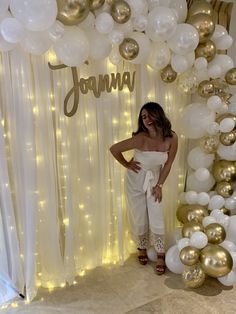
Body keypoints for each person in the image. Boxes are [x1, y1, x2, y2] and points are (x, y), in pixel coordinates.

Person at [110, 102, 178, 275]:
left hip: (155, 179)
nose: (146, 119)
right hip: (135, 180)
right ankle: (141, 246)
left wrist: (160, 185)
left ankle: (161, 253)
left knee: (156, 212)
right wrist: (127, 164)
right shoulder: (140, 138)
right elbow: (114, 149)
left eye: (149, 115)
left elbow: (168, 163)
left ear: (158, 114)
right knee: (138, 213)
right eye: (143, 116)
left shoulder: (172, 137)